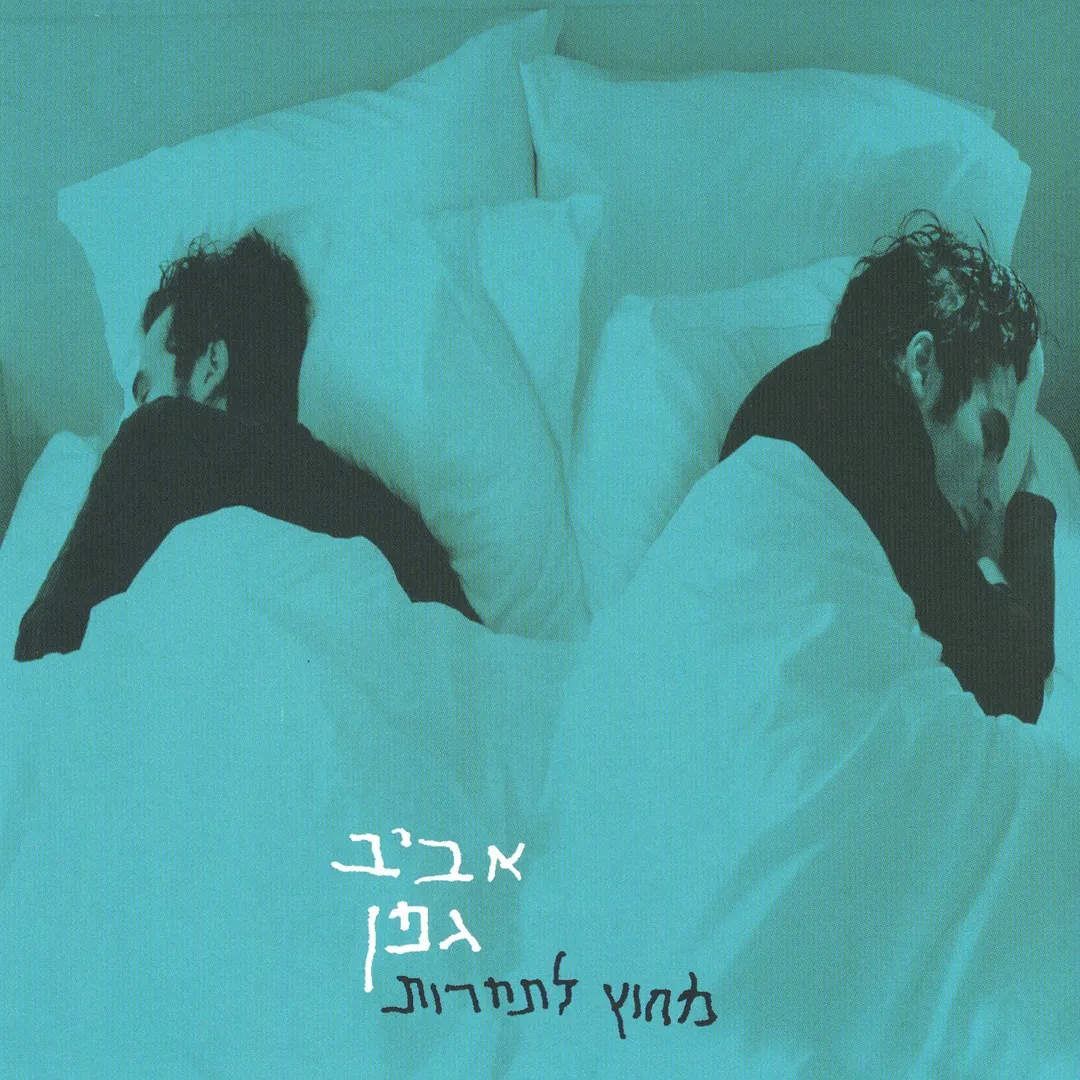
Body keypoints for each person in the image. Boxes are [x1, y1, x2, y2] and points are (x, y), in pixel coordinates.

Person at [15, 231, 478, 661]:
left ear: (212, 365)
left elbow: (41, 660)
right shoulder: (391, 524)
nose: (134, 415)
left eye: (146, 389)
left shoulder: (157, 434)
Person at [720, 217, 1054, 724]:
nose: (992, 493)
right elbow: (1013, 686)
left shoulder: (802, 403)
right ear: (923, 364)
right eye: (989, 438)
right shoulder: (856, 398)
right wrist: (999, 543)